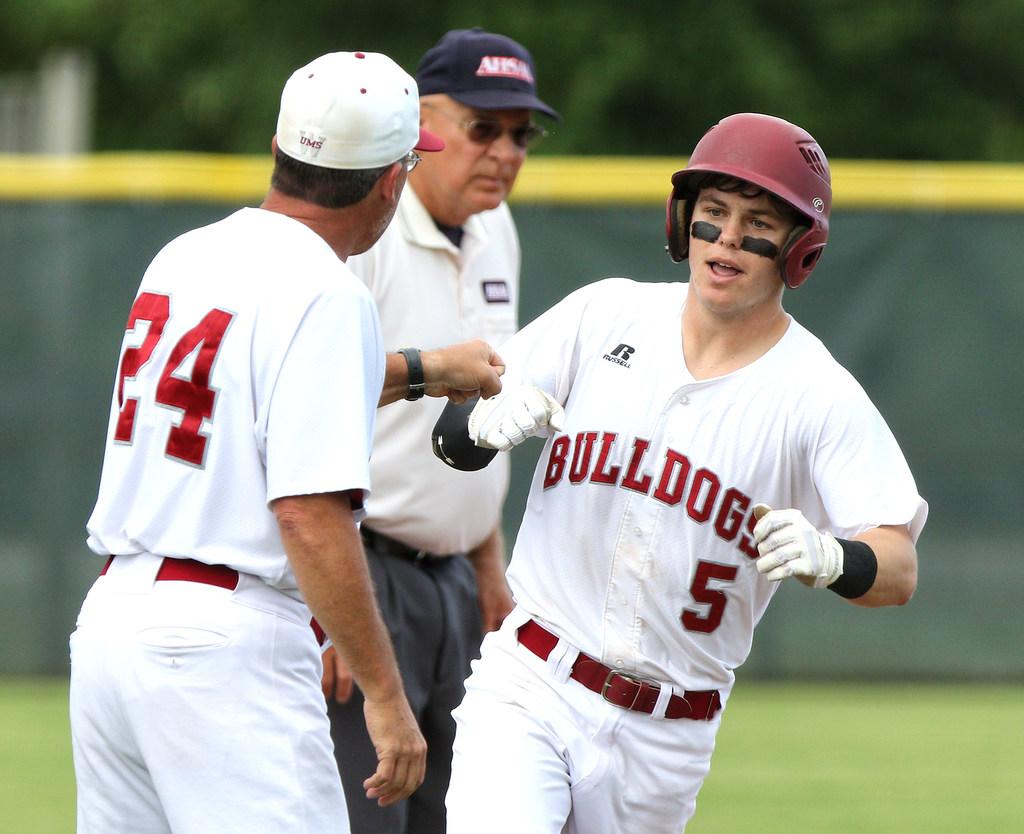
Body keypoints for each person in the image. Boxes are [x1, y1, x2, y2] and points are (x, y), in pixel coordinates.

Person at [432, 113, 928, 833]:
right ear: (681, 221)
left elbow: (898, 568)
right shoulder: (605, 316)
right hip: (533, 681)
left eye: (758, 220)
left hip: (669, 736)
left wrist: (833, 557)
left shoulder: (817, 392)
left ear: (801, 249)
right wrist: (478, 428)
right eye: (714, 213)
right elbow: (452, 435)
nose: (728, 237)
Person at [70, 50, 506, 834]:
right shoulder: (326, 291)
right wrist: (383, 692)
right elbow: (308, 514)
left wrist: (422, 369)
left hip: (110, 627)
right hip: (223, 643)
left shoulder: (186, 254)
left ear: (282, 149)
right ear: (389, 180)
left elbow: (263, 389)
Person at [319, 27, 560, 834]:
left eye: (521, 133)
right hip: (367, 568)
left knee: (457, 817)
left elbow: (484, 418)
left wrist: (488, 562)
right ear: (426, 123)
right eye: (483, 127)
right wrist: (318, 604)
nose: (505, 151)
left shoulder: (498, 232)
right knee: (368, 817)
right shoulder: (364, 234)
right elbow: (303, 411)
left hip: (457, 581)